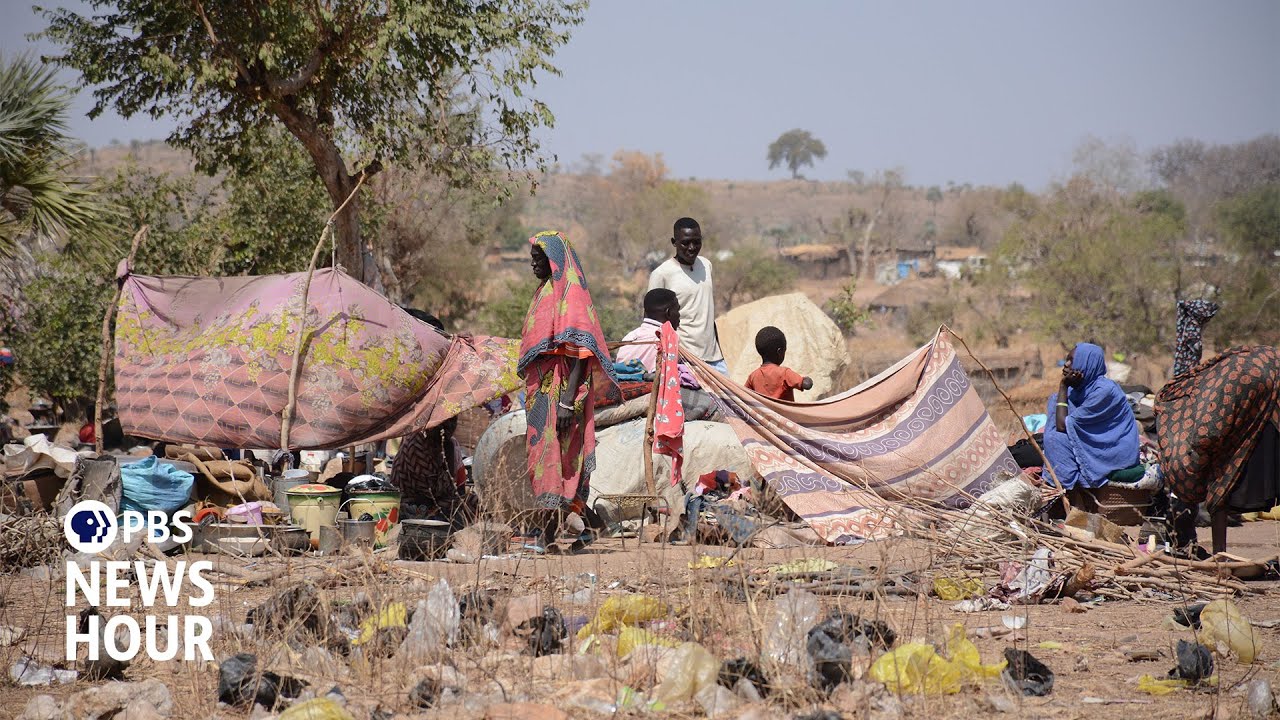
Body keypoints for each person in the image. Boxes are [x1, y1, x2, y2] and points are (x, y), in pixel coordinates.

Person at [518, 231, 618, 552]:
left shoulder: (571, 294)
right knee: (556, 459)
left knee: (553, 459)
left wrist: (564, 402)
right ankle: (591, 526)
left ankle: (547, 538)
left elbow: (579, 353)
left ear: (555, 260)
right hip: (543, 390)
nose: (534, 264)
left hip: (560, 392)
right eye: (532, 259)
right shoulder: (546, 290)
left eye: (539, 259)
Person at [1157, 300, 1278, 554]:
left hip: (1255, 382)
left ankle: (1220, 556)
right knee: (1221, 489)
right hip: (1253, 380)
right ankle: (1219, 556)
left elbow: (1208, 435)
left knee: (1222, 486)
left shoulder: (1206, 422)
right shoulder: (1199, 405)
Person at [388, 309, 476, 527]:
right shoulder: (419, 446)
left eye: (453, 421)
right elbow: (429, 494)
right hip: (416, 507)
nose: (451, 426)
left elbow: (455, 489)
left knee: (472, 504)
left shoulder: (449, 446)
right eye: (447, 421)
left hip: (439, 506)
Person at [1042, 343, 1140, 491]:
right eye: (1066, 360)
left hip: (1112, 450)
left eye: (1072, 361)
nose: (1066, 365)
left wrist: (1063, 386)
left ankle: (1074, 489)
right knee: (1055, 404)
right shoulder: (1076, 392)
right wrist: (1063, 392)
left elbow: (1062, 426)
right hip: (1092, 446)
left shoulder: (1104, 391)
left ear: (1087, 364)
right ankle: (1070, 484)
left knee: (1054, 439)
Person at [648, 217, 728, 375]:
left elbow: (707, 312)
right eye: (685, 243)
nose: (692, 248)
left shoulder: (706, 265)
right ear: (674, 242)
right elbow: (653, 323)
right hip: (684, 360)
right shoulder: (662, 274)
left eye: (697, 242)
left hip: (715, 359)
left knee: (729, 399)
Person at [616, 288, 681, 372]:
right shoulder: (669, 338)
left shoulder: (629, 337)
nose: (679, 315)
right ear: (668, 313)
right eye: (677, 310)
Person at [745, 326, 813, 402]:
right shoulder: (784, 373)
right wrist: (807, 379)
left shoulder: (753, 376)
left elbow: (743, 394)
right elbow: (806, 384)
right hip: (784, 414)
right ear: (779, 352)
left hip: (763, 413)